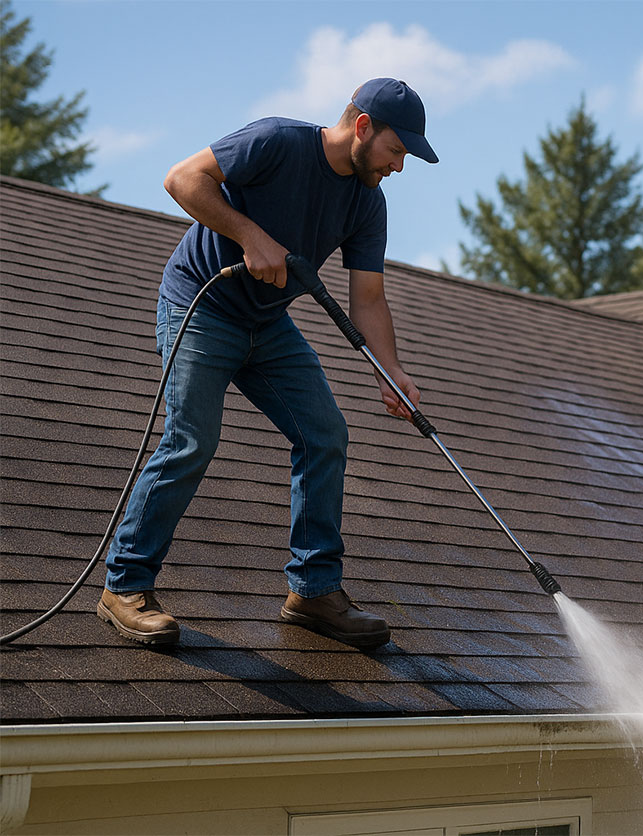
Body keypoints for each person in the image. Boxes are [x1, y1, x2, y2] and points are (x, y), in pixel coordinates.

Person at [96, 78, 437, 650]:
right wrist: (249, 234)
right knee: (192, 440)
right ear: (361, 127)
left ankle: (313, 592)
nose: (399, 166)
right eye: (397, 150)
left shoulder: (367, 201)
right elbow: (182, 179)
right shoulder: (275, 141)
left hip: (268, 324)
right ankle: (124, 586)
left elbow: (369, 299)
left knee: (325, 433)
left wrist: (390, 370)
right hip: (199, 304)